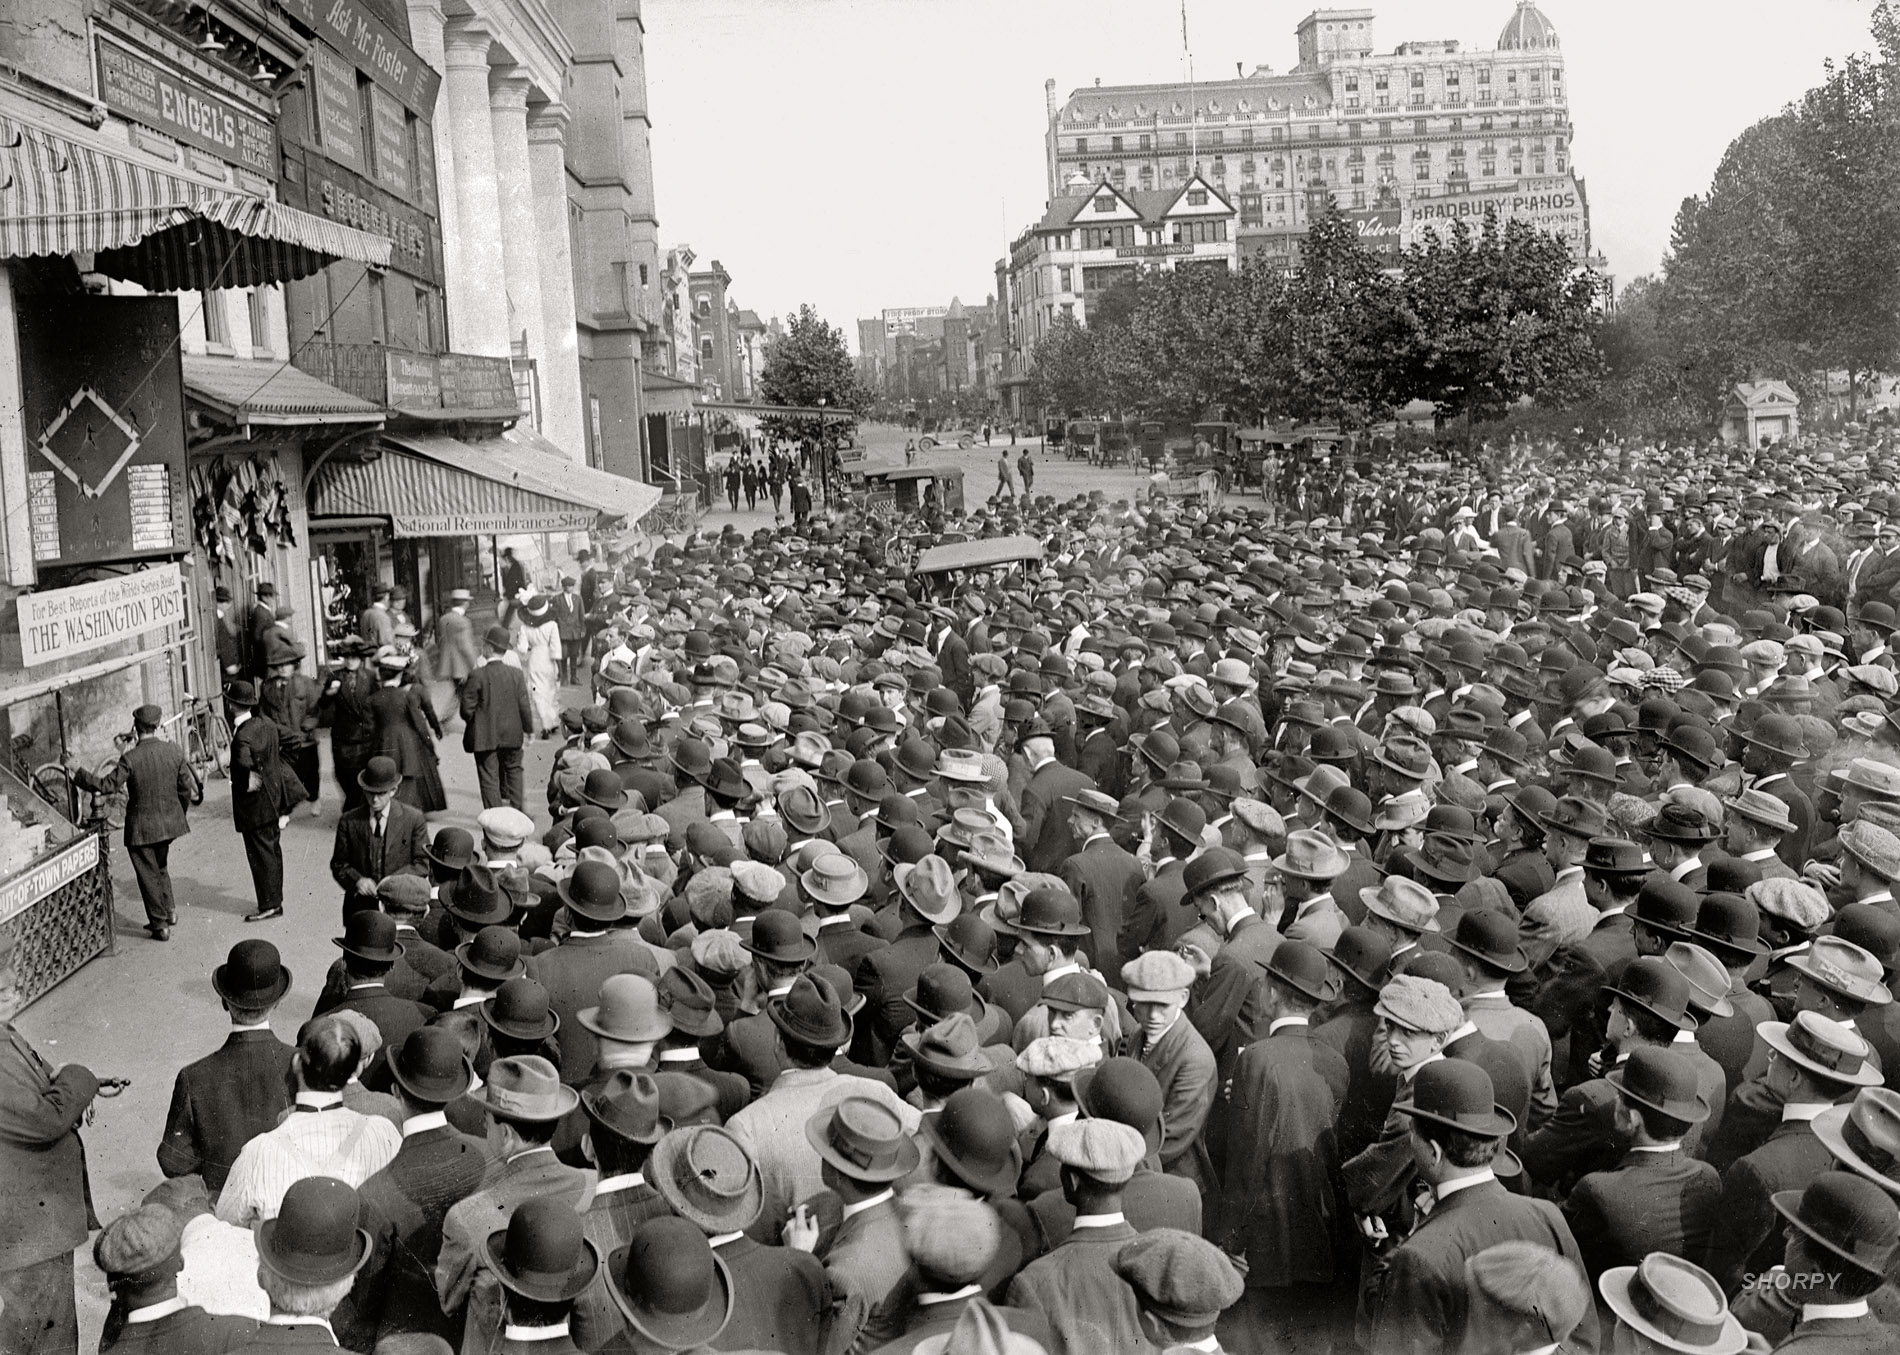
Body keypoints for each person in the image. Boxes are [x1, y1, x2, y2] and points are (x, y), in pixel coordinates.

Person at [0, 930, 105, 1355]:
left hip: (36, 1225)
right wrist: (81, 1078)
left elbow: (44, 1082)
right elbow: (45, 1119)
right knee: (49, 1338)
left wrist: (70, 1090)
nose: (15, 989)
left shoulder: (4, 1031)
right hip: (29, 1234)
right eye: (2, 987)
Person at [157, 941, 295, 1195]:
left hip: (222, 1206)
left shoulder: (194, 1076)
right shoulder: (300, 1063)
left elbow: (173, 1159)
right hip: (286, 1204)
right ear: (277, 1003)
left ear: (224, 1002)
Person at [67, 703, 197, 941]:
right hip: (169, 824)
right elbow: (185, 789)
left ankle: (160, 925)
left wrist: (77, 771)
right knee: (160, 867)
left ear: (137, 728)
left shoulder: (130, 758)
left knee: (148, 873)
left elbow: (105, 786)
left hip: (142, 828)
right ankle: (170, 912)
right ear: (156, 726)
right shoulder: (174, 751)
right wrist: (178, 814)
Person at [229, 679, 298, 923]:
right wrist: (274, 770)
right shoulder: (266, 724)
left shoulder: (242, 736)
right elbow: (293, 741)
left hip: (254, 807)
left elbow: (243, 762)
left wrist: (251, 776)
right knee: (271, 852)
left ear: (231, 705)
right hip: (272, 800)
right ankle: (273, 900)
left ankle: (270, 905)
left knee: (261, 856)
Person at [329, 756, 431, 919]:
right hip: (360, 909)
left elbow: (423, 863)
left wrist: (393, 881)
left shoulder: (413, 818)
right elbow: (339, 863)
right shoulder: (349, 820)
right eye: (370, 792)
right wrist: (358, 881)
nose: (374, 799)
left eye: (381, 793)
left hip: (399, 909)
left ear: (393, 790)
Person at [462, 624, 537, 811]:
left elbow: (466, 710)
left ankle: (495, 819)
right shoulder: (516, 674)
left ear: (488, 648)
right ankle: (519, 812)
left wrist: (476, 719)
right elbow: (524, 706)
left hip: (485, 735)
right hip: (512, 734)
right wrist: (529, 730)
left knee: (489, 777)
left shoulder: (477, 675)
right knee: (514, 772)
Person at [516, 594, 564, 737]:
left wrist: (530, 646)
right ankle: (552, 720)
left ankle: (545, 724)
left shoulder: (525, 627)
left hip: (534, 660)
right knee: (551, 691)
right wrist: (560, 668)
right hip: (549, 659)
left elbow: (522, 648)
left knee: (537, 692)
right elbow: (556, 648)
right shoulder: (552, 625)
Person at [435, 587, 480, 716]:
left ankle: (445, 718)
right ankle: (471, 718)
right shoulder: (463, 622)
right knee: (467, 695)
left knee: (459, 693)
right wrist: (474, 664)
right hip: (462, 666)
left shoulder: (443, 619)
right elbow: (465, 647)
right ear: (465, 603)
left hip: (448, 664)